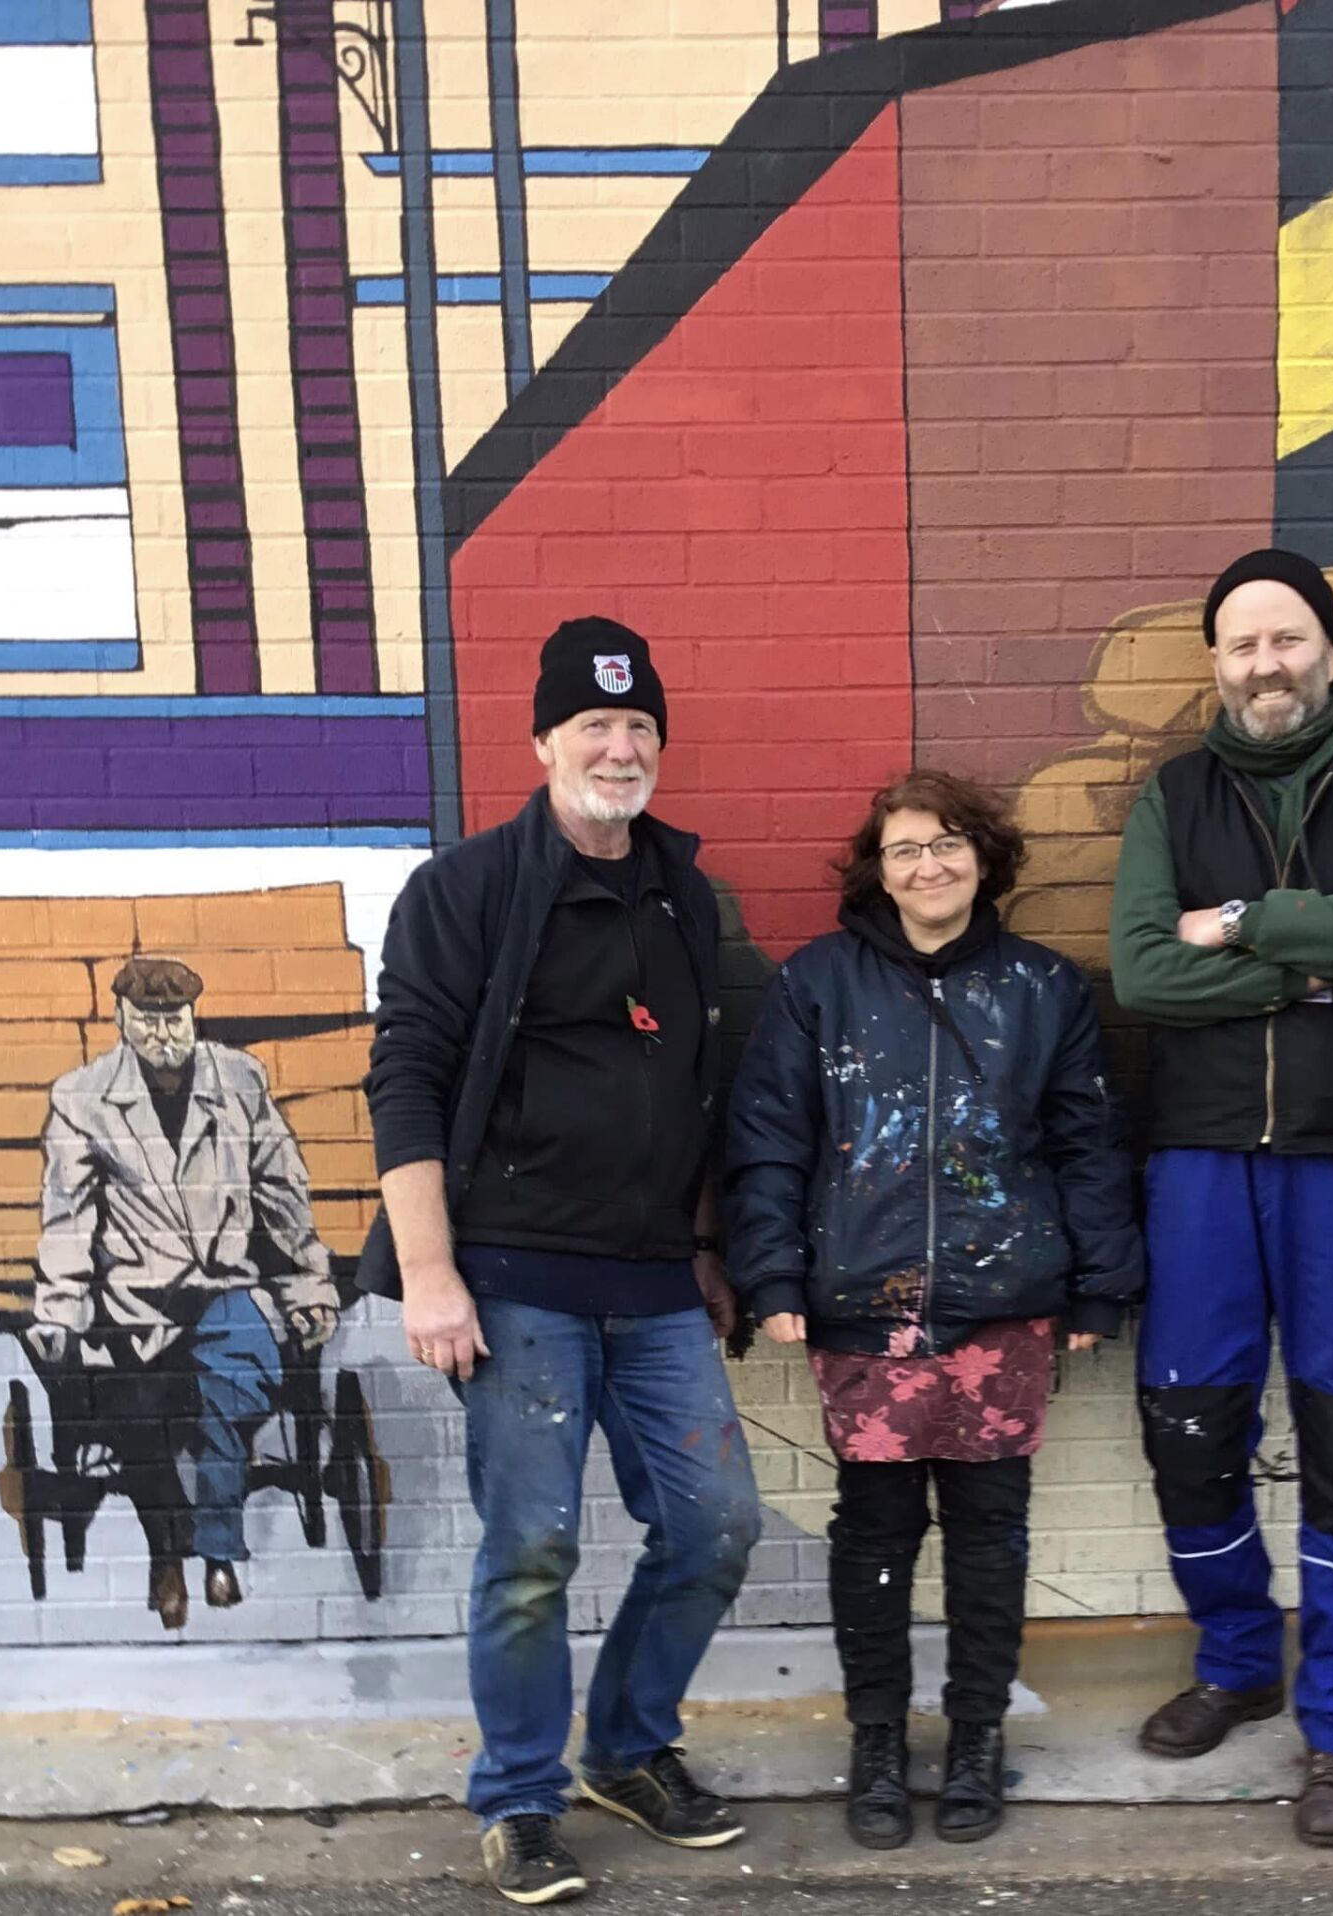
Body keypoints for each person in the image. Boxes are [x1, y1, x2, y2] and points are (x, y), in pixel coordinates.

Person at [361, 617, 763, 1907]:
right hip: (516, 1276)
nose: (620, 745)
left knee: (713, 1523)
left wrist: (704, 1244)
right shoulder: (464, 889)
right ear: (541, 742)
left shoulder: (684, 893)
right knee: (529, 1545)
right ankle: (522, 1796)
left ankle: (630, 1750)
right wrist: (430, 1273)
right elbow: (406, 1080)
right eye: (593, 724)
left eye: (640, 725)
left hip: (653, 1279)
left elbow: (699, 1082)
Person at [724, 770, 1144, 1851]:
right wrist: (770, 1277)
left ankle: (973, 1737)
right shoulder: (818, 983)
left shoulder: (1043, 988)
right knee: (874, 1531)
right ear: (879, 867)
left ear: (986, 857)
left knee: (991, 1534)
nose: (931, 864)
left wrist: (1101, 1280)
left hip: (1004, 1311)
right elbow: (770, 1136)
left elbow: (1088, 1143)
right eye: (908, 847)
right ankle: (874, 1744)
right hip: (864, 1313)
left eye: (952, 842)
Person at [1110, 548, 1333, 1849]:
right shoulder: (1173, 798)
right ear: (1217, 664)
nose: (1267, 664)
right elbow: (1144, 975)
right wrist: (1313, 957)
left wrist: (1241, 920)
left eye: (1288, 639)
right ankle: (1239, 1658)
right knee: (1189, 1434)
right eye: (1244, 645)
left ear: (1328, 648)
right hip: (1199, 1164)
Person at [31, 954, 339, 1630]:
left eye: (175, 1016)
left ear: (194, 1015)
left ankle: (219, 1553)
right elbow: (68, 1217)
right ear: (122, 1018)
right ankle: (166, 1553)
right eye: (148, 1018)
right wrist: (60, 1311)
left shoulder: (240, 1081)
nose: (164, 1031)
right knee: (138, 1417)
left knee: (233, 1393)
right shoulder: (82, 1098)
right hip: (135, 1301)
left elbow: (283, 1193)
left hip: (225, 1287)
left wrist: (309, 1286)